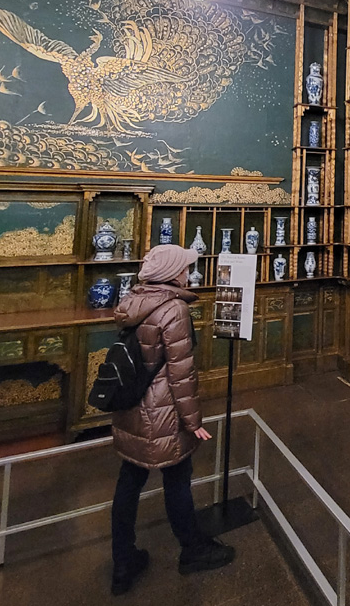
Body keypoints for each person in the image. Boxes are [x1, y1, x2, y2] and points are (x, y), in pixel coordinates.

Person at [109, 243, 235, 595]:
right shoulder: (174, 309)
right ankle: (192, 548)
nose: (188, 273)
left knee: (129, 481)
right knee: (178, 479)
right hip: (163, 411)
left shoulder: (133, 300)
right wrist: (193, 423)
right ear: (171, 273)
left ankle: (122, 562)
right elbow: (181, 375)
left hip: (132, 407)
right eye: (184, 268)